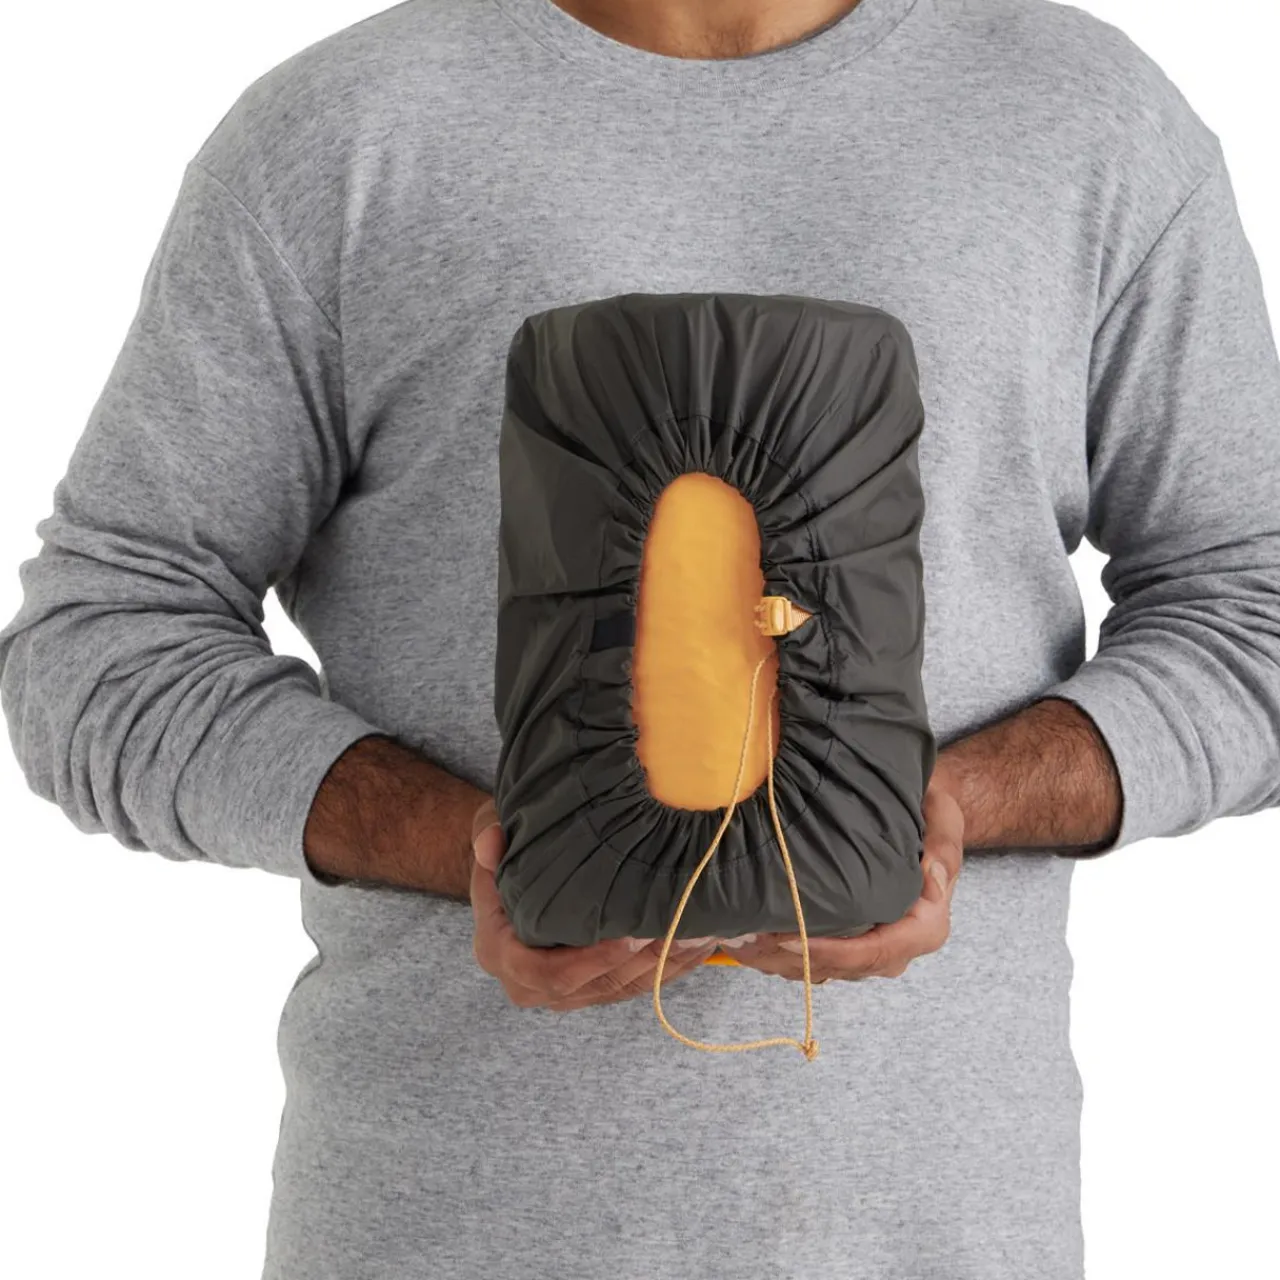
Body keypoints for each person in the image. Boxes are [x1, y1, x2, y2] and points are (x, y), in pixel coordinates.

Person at [2, 0, 1277, 1276]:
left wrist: (944, 809)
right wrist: (464, 844)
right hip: (441, 1228)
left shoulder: (1084, 120)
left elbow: (1253, 612)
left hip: (938, 1232)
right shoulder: (341, 134)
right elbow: (100, 638)